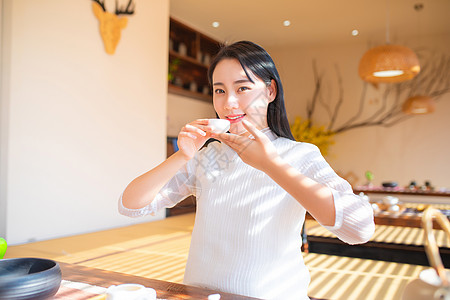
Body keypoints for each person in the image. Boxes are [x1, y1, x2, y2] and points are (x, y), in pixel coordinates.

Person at [119, 41, 375, 300]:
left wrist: (271, 165)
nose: (229, 103)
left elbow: (360, 229)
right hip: (201, 295)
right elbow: (130, 206)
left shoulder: (300, 155)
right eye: (219, 91)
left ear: (270, 90)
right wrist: (181, 156)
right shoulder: (211, 157)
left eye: (242, 88)